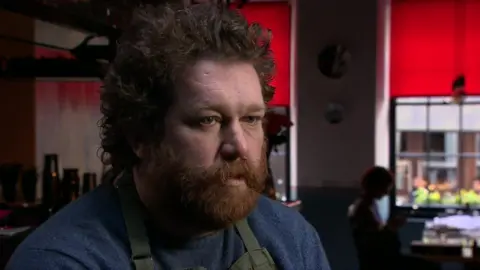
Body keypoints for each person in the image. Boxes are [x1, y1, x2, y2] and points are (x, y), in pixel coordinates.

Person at [7, 3, 330, 270]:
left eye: (251, 119)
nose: (239, 145)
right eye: (208, 120)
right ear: (141, 137)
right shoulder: (62, 261)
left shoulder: (292, 240)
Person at [348, 166, 439, 270]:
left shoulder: (367, 206)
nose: (386, 193)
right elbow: (373, 244)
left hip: (380, 261)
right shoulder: (363, 210)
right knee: (431, 267)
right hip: (381, 263)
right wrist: (391, 227)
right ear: (376, 186)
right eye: (385, 188)